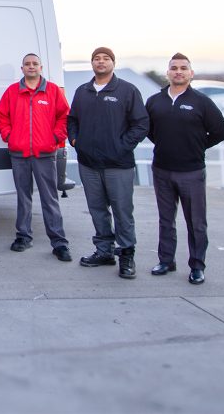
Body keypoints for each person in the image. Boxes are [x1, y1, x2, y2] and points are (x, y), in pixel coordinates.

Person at [145, 53, 224, 284]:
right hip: (162, 169)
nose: (178, 71)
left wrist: (197, 146)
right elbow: (148, 130)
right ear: (168, 73)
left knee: (196, 222)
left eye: (183, 68)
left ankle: (197, 266)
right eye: (174, 68)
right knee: (165, 219)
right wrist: (165, 145)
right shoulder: (154, 101)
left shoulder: (202, 102)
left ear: (191, 73)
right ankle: (166, 260)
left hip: (191, 172)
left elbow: (219, 132)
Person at [67, 47, 149, 279]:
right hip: (88, 163)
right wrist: (75, 140)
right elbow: (72, 119)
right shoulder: (83, 91)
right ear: (91, 63)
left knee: (123, 211)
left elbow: (141, 124)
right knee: (97, 210)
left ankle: (126, 255)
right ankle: (104, 251)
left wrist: (121, 146)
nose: (101, 62)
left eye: (105, 59)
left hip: (118, 165)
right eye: (96, 58)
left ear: (113, 63)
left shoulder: (126, 91)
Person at [0, 52, 72, 261]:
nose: (31, 67)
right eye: (27, 64)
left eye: (35, 64)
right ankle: (23, 236)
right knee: (23, 197)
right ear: (22, 69)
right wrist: (9, 136)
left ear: (41, 67)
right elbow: (2, 116)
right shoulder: (12, 92)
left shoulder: (52, 91)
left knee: (50, 199)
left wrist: (55, 138)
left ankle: (59, 243)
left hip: (45, 154)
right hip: (19, 153)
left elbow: (65, 117)